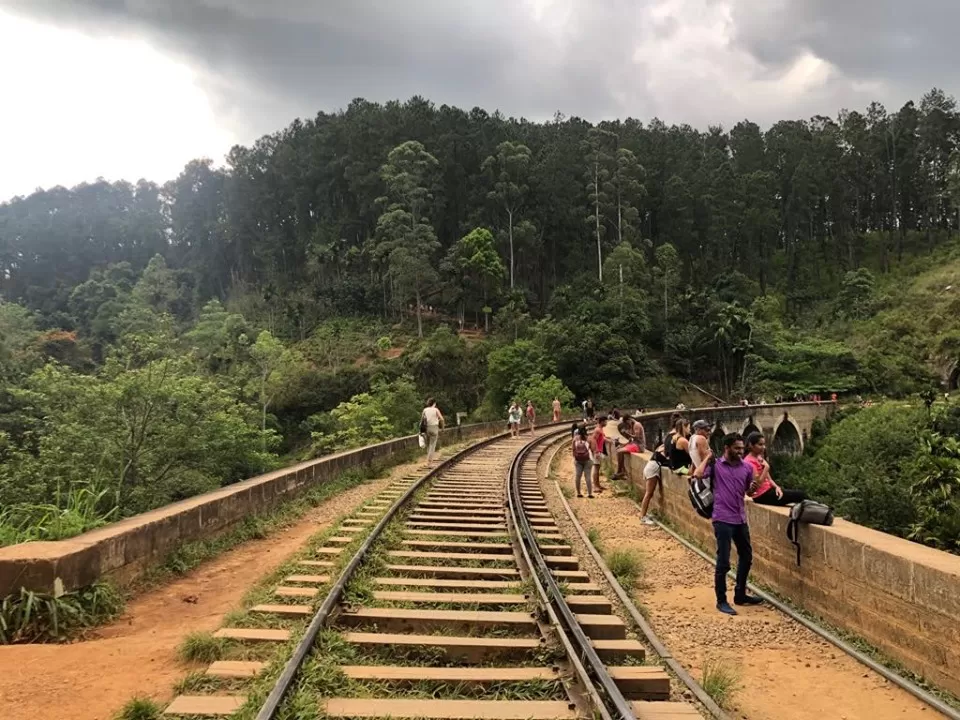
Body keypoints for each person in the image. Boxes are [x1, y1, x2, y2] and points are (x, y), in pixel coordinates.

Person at [691, 433, 762, 615]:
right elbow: (697, 474)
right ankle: (721, 600)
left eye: (742, 448)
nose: (740, 451)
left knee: (746, 556)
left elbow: (748, 492)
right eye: (736, 448)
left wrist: (752, 489)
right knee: (723, 561)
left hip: (740, 518)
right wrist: (707, 457)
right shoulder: (716, 466)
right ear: (727, 448)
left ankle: (740, 594)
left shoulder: (747, 468)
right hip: (722, 518)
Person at [743, 432, 806, 506]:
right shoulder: (749, 461)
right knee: (800, 495)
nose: (764, 447)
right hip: (761, 495)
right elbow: (757, 484)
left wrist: (777, 487)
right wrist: (766, 468)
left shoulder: (759, 457)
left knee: (800, 494)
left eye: (764, 444)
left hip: (769, 491)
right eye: (760, 444)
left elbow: (769, 479)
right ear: (751, 445)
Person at [639, 444, 667, 525]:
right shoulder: (663, 449)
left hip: (650, 467)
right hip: (652, 470)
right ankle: (642, 516)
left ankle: (643, 514)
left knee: (649, 494)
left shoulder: (661, 447)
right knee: (648, 494)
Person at [421, 398, 445, 466]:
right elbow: (442, 419)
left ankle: (428, 461)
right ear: (434, 403)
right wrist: (442, 428)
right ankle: (429, 462)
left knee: (428, 445)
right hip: (434, 428)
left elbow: (422, 420)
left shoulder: (425, 410)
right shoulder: (436, 409)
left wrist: (421, 430)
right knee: (432, 445)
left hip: (427, 428)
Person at [572, 426, 594, 498]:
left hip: (578, 460)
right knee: (588, 476)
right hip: (588, 459)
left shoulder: (575, 438)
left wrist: (575, 458)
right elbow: (593, 449)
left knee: (578, 476)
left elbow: (573, 449)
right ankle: (590, 494)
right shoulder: (589, 438)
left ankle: (578, 493)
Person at [591, 416, 608, 493]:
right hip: (597, 452)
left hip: (599, 451)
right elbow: (594, 439)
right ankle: (595, 486)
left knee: (598, 468)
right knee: (596, 468)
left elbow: (602, 439)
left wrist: (610, 441)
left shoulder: (600, 429)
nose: (606, 423)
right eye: (605, 421)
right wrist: (596, 451)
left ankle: (598, 485)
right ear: (602, 422)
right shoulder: (597, 430)